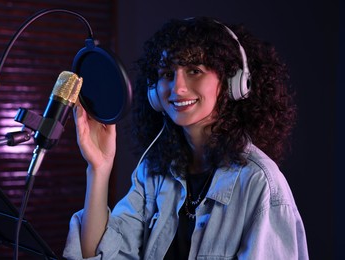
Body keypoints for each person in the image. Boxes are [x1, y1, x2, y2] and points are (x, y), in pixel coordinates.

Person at [63, 16, 309, 259]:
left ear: (233, 82)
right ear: (154, 93)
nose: (177, 87)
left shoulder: (261, 184)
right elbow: (98, 256)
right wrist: (99, 168)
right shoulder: (153, 173)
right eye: (168, 73)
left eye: (194, 71)